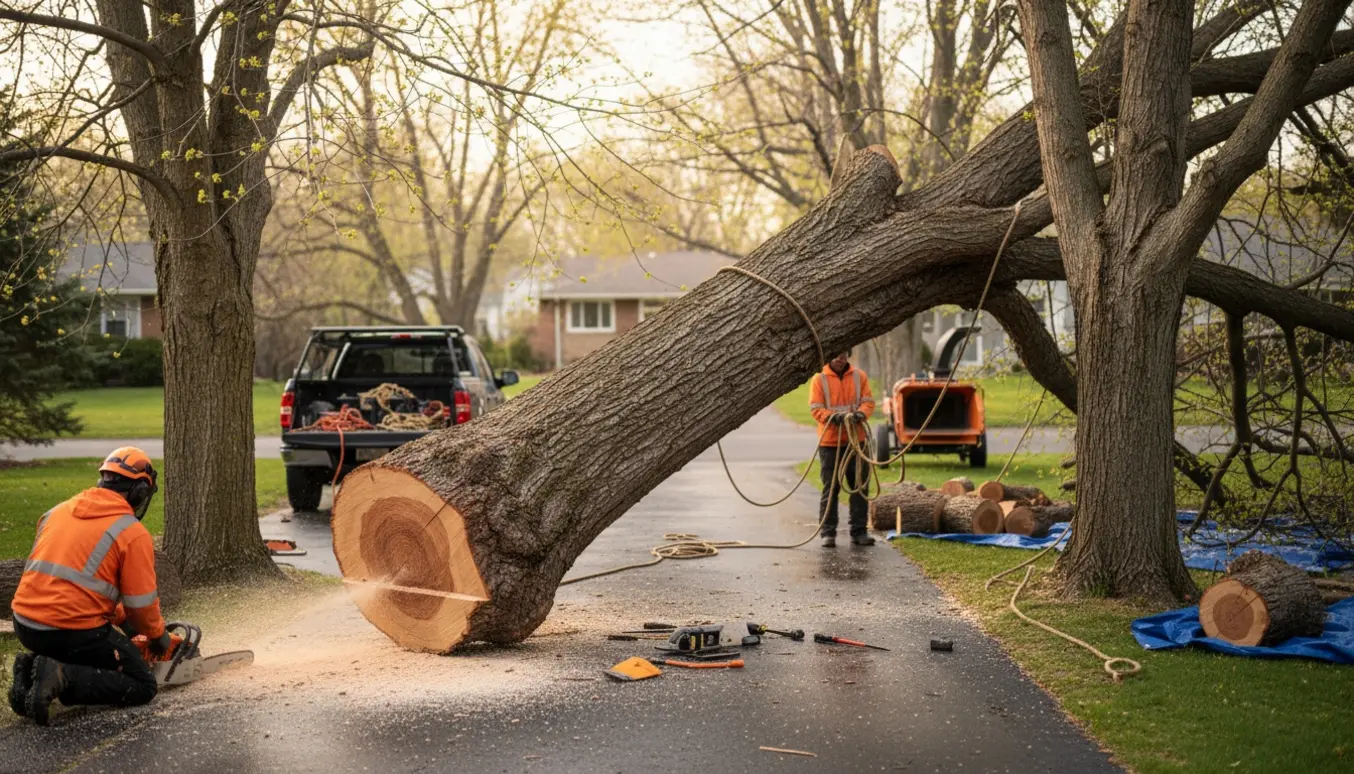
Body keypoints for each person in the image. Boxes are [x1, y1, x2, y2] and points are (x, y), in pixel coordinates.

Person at [8, 447, 168, 725]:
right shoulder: (131, 532)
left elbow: (77, 586)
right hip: (69, 632)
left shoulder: (55, 513)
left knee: (91, 646)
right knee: (143, 684)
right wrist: (156, 635)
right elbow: (141, 606)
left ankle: (29, 671)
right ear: (140, 492)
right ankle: (61, 676)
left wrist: (122, 621)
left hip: (25, 624)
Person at [808, 351, 876, 547]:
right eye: (837, 354)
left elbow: (868, 402)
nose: (841, 358)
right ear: (830, 355)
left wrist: (861, 415)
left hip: (857, 442)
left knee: (859, 487)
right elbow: (816, 408)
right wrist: (832, 417)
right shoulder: (819, 378)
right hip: (830, 442)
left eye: (844, 354)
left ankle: (859, 532)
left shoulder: (859, 376)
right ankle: (828, 533)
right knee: (831, 488)